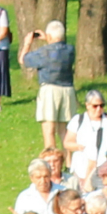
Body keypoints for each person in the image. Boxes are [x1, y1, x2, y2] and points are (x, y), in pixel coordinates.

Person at [21, 20, 77, 151]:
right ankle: (68, 165)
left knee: (49, 130)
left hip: (50, 90)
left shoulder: (43, 52)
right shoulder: (70, 50)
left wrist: (27, 43)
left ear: (50, 36)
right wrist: (48, 38)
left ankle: (52, 161)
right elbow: (57, 47)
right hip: (68, 90)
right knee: (65, 132)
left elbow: (23, 59)